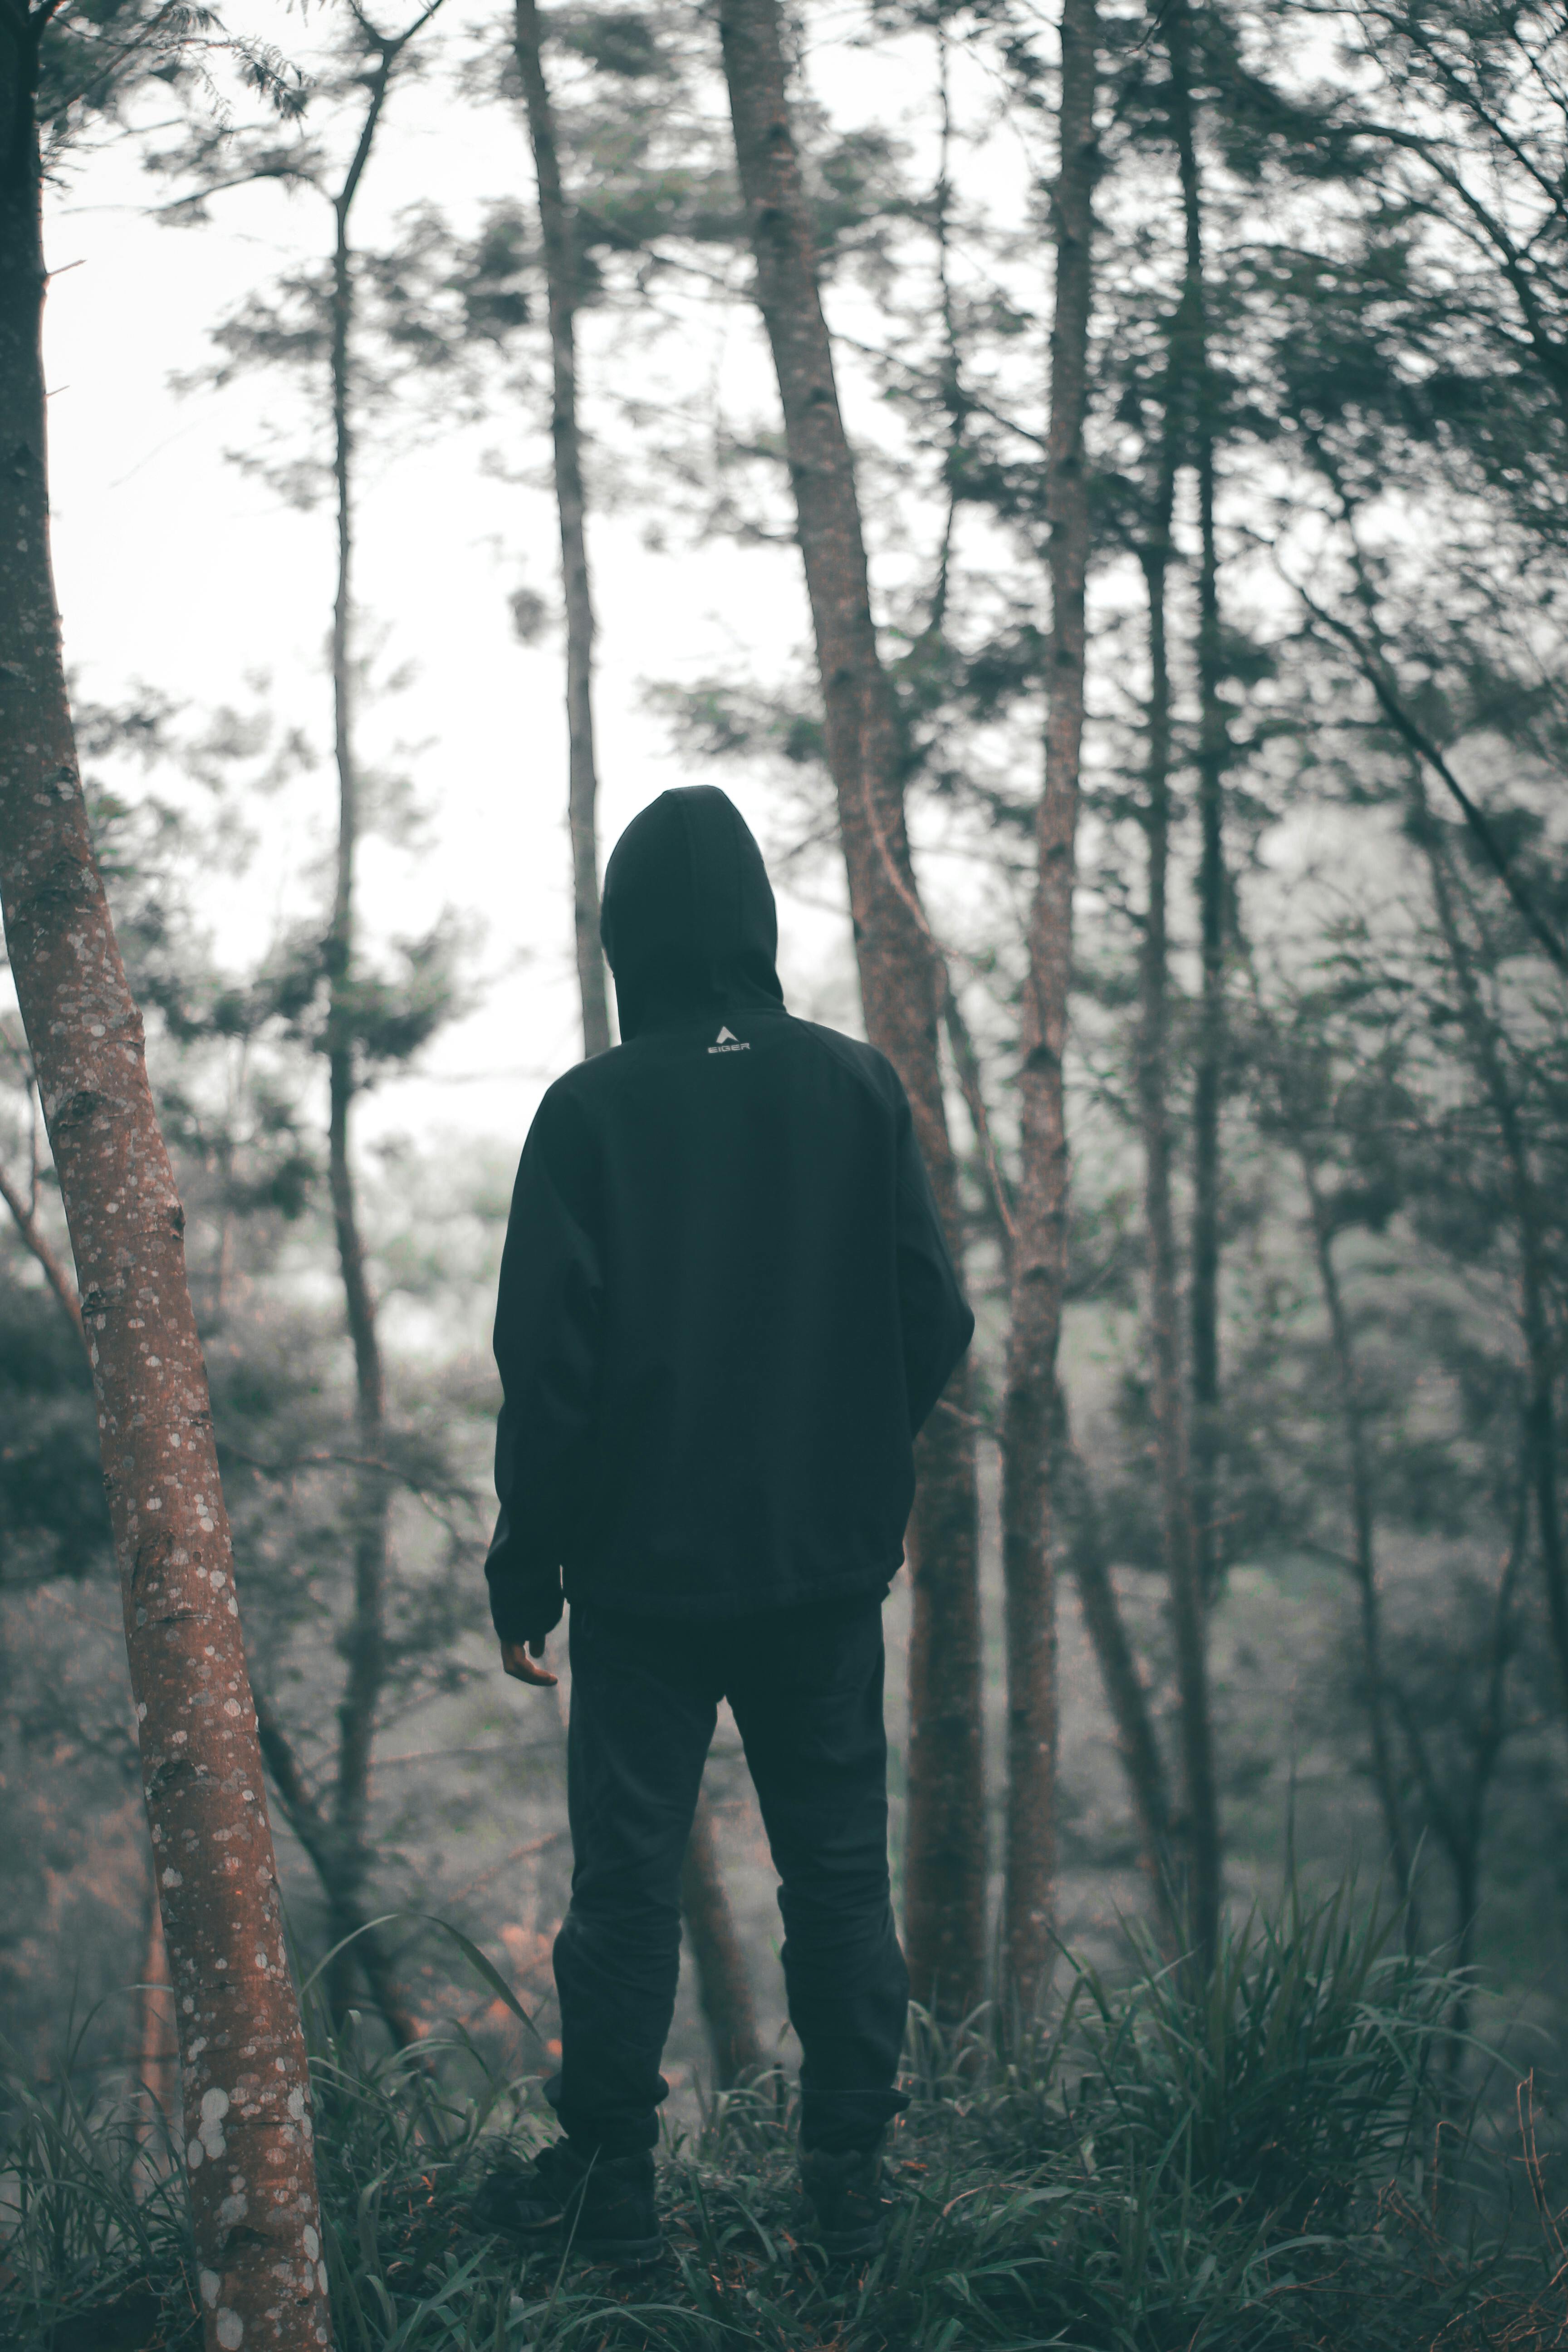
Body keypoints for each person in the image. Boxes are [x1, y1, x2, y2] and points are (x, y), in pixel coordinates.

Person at [474, 784, 973, 2267]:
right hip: (821, 1570)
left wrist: (527, 1571)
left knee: (624, 1881)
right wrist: (841, 1452)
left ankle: (613, 2198)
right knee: (837, 1872)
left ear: (631, 937)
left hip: (641, 1581)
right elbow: (930, 1315)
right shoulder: (854, 1087)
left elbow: (545, 1367)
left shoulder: (591, 1112)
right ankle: (849, 2197)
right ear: (755, 925)